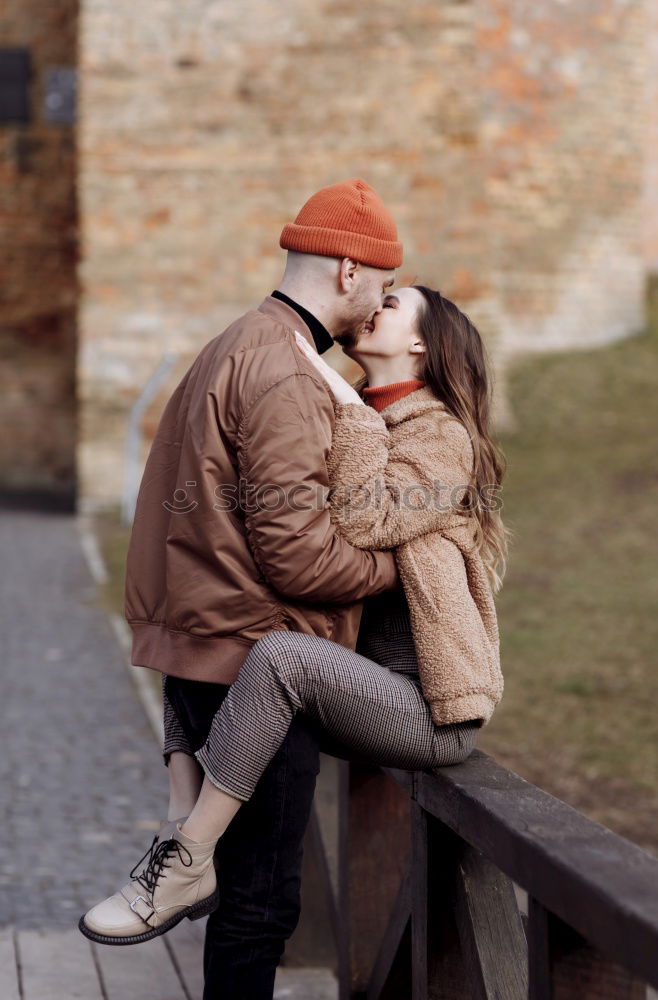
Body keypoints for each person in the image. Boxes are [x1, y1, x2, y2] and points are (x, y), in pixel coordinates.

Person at [80, 280, 509, 973]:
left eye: (393, 304)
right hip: (360, 690)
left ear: (423, 345)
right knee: (209, 634)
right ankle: (178, 825)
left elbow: (366, 520)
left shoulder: (443, 438)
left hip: (430, 710)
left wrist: (348, 410)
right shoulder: (356, 408)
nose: (375, 307)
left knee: (280, 656)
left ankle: (189, 857)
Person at [79, 179, 404, 997]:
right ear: (344, 271)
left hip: (205, 647)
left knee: (242, 903)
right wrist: (403, 566)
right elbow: (298, 558)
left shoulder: (234, 342)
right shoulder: (286, 375)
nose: (381, 301)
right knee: (258, 908)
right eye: (381, 282)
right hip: (251, 663)